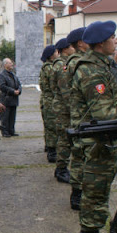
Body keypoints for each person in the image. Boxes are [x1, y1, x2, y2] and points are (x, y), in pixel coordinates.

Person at [70, 21, 117, 233]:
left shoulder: (100, 66)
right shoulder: (91, 70)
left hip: (101, 141)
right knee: (95, 190)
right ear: (101, 43)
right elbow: (105, 113)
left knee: (97, 189)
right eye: (113, 38)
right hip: (97, 142)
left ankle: (88, 232)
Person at [64, 27, 89, 210]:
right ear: (80, 43)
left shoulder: (78, 61)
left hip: (81, 115)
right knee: (79, 156)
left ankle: (79, 192)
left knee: (81, 156)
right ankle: (77, 194)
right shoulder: (77, 63)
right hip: (81, 116)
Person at [51, 38, 75, 183]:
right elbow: (65, 92)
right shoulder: (62, 66)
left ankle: (61, 168)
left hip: (63, 107)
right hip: (64, 109)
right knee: (64, 140)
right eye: (71, 47)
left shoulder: (63, 64)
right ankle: (61, 169)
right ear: (65, 49)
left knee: (64, 139)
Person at [39, 45, 58, 163]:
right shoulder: (50, 68)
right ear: (51, 55)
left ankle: (48, 146)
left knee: (48, 125)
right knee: (51, 126)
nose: (58, 54)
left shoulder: (45, 67)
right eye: (56, 52)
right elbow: (53, 85)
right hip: (50, 100)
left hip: (46, 99)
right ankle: (52, 152)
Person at [0, 58, 21, 137]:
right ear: (5, 65)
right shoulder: (2, 75)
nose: (12, 64)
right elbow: (2, 86)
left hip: (14, 99)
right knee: (5, 117)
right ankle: (5, 131)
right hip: (6, 99)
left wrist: (19, 90)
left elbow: (19, 84)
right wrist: (12, 91)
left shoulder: (13, 74)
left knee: (12, 116)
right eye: (10, 63)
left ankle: (11, 131)